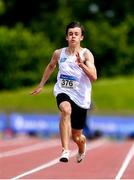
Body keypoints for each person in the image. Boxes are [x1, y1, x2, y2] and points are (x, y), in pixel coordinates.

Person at [31, 21, 97, 163]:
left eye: (76, 34)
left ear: (81, 37)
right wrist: (41, 84)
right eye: (70, 34)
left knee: (77, 137)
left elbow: (94, 77)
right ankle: (65, 150)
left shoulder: (86, 54)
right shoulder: (58, 53)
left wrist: (81, 65)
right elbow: (50, 66)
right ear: (67, 37)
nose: (73, 36)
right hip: (63, 90)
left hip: (81, 97)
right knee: (65, 110)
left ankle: (81, 146)